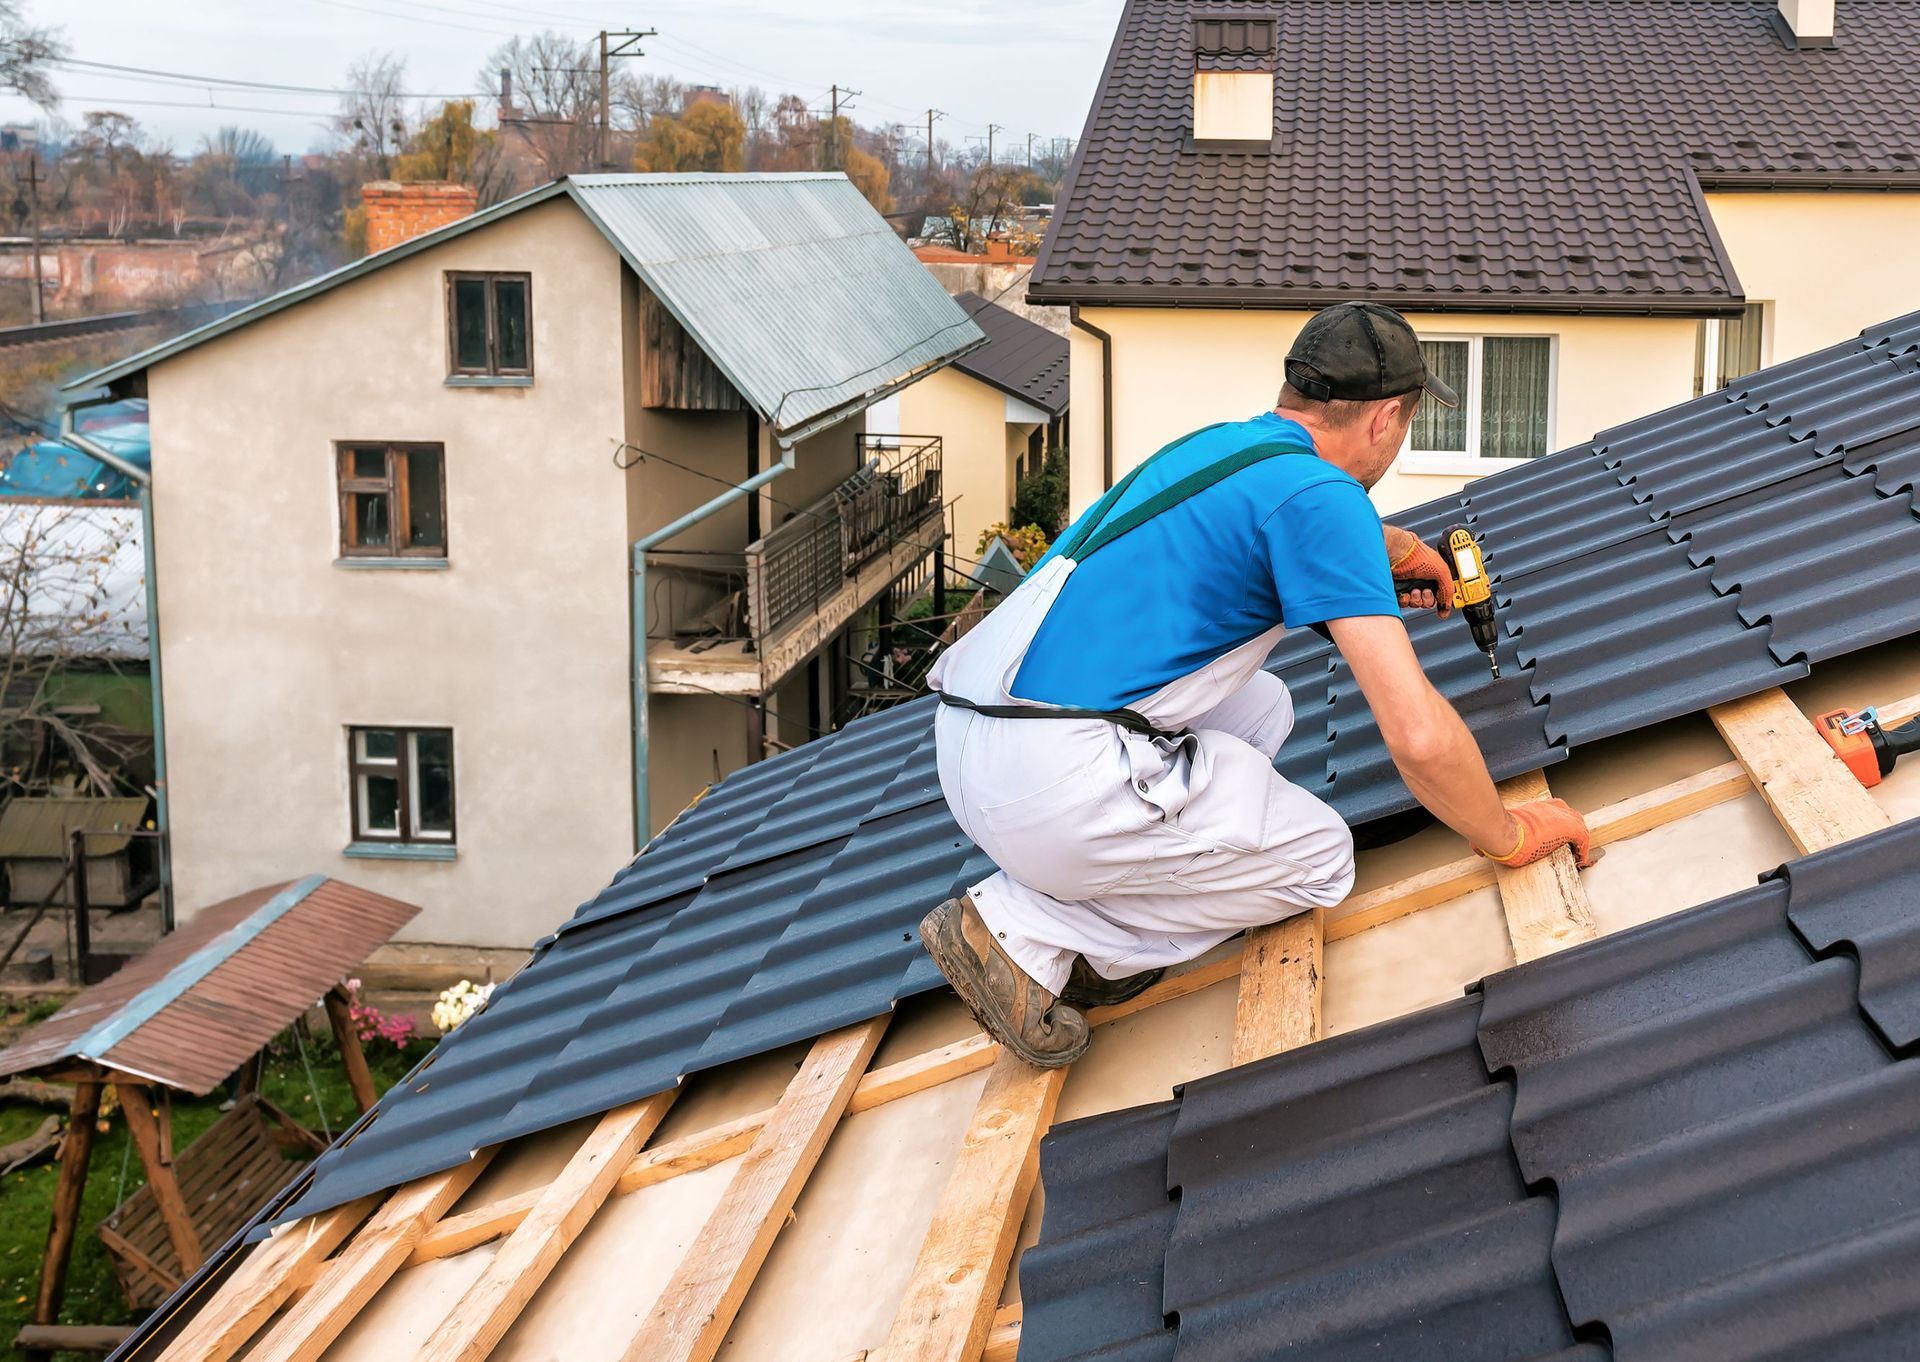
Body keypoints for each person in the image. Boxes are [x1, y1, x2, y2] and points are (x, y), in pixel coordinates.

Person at [919, 301, 1598, 1068]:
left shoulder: (1225, 448)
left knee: (1265, 702)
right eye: (1407, 424)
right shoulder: (1324, 499)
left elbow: (1291, 524)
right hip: (1050, 784)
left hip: (974, 738)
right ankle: (1026, 931)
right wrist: (1510, 835)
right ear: (1384, 419)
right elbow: (1415, 735)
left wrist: (1398, 548)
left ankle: (1097, 908)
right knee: (1319, 859)